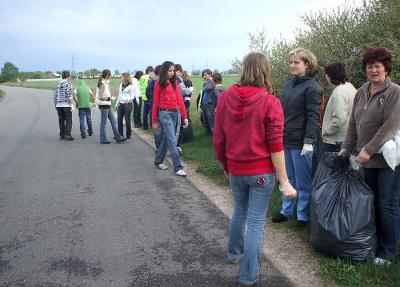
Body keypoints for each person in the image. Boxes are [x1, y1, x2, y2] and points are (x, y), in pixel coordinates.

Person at [213, 52, 297, 287]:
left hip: (236, 169)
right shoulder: (270, 102)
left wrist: (225, 165)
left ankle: (234, 254)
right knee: (256, 221)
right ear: (265, 70)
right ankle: (248, 276)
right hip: (261, 173)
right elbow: (276, 145)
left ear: (244, 68)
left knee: (239, 211)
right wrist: (284, 180)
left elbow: (218, 138)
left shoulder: (226, 96)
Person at [340, 47, 400, 265]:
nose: (373, 70)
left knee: (388, 205)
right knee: (370, 203)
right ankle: (373, 243)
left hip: (388, 162)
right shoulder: (362, 91)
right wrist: (346, 149)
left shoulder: (394, 91)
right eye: (369, 66)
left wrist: (368, 150)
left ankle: (388, 252)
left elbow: (389, 127)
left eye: (377, 66)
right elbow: (353, 124)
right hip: (365, 162)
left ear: (386, 68)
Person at [272, 48, 322, 227]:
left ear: (307, 64)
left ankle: (302, 215)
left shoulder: (313, 87)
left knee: (303, 181)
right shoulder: (288, 85)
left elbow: (312, 117)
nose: (292, 65)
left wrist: (309, 141)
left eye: (296, 62)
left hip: (302, 142)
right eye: (291, 62)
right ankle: (286, 210)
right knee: (287, 178)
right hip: (286, 138)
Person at [152, 61, 189, 176]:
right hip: (164, 114)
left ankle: (158, 161)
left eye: (173, 70)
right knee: (172, 141)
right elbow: (155, 103)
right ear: (164, 71)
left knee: (166, 139)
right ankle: (178, 167)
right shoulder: (158, 84)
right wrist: (154, 120)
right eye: (170, 70)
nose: (172, 73)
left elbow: (180, 101)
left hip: (175, 114)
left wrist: (185, 117)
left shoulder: (175, 83)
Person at [321, 63, 357, 153]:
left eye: (327, 74)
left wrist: (326, 131)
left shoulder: (339, 92)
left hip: (335, 141)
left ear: (331, 75)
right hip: (347, 139)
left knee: (328, 166)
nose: (326, 76)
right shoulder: (351, 88)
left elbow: (339, 118)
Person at [95, 69, 126, 144]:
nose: (111, 76)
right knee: (104, 123)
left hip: (107, 105)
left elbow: (104, 95)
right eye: (110, 75)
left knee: (113, 121)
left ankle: (118, 137)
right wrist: (110, 98)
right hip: (104, 105)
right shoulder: (102, 84)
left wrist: (110, 97)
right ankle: (103, 139)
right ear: (107, 76)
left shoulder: (105, 84)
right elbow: (100, 97)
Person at [175, 64, 194, 153]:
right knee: (182, 124)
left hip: (172, 104)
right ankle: (177, 145)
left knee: (176, 125)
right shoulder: (178, 79)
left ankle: (174, 145)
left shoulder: (169, 78)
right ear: (179, 71)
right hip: (179, 104)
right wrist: (190, 89)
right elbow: (184, 91)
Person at [116, 72, 141, 139]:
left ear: (125, 77)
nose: (121, 78)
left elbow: (133, 96)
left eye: (122, 76)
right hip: (121, 104)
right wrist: (116, 104)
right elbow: (119, 95)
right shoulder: (121, 85)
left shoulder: (131, 86)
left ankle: (128, 134)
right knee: (119, 120)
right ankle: (120, 134)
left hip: (128, 104)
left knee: (127, 119)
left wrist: (128, 99)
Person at [53, 70, 76, 141]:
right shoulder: (68, 84)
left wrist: (55, 105)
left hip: (59, 105)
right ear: (68, 76)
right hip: (66, 105)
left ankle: (62, 134)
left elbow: (55, 95)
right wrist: (72, 104)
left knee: (61, 120)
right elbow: (69, 95)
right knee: (69, 120)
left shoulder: (57, 84)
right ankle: (68, 134)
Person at [146, 65, 162, 149]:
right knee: (162, 130)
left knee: (156, 129)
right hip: (162, 108)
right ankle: (161, 148)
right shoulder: (162, 83)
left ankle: (159, 148)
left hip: (153, 107)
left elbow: (147, 93)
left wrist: (151, 101)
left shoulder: (151, 82)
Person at [200, 69, 215, 136]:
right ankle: (208, 134)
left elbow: (206, 88)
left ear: (210, 75)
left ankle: (213, 135)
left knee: (211, 119)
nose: (204, 76)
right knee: (205, 119)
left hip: (209, 104)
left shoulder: (212, 82)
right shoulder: (206, 83)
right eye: (203, 75)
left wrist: (207, 82)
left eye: (205, 75)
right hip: (204, 103)